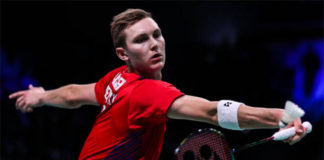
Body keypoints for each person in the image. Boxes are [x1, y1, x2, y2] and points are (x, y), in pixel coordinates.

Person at [9, 9, 308, 160]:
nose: (154, 44)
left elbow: (75, 94)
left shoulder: (116, 79)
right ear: (123, 54)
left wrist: (43, 96)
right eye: (141, 40)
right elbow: (209, 112)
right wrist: (278, 117)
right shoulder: (145, 91)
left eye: (157, 34)